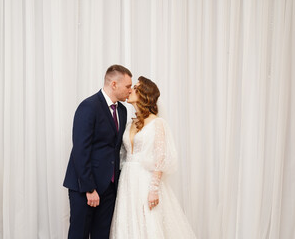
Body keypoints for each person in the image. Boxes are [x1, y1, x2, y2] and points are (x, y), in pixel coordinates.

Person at [110, 76, 196, 238]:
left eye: (135, 88)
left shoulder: (158, 123)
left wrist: (154, 190)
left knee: (148, 222)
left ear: (144, 94)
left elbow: (160, 157)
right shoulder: (129, 123)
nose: (130, 90)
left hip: (145, 180)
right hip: (128, 181)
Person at [63, 65, 132, 239]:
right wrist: (89, 188)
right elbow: (80, 150)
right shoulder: (89, 106)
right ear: (114, 84)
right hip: (85, 186)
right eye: (128, 86)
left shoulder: (122, 111)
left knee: (102, 235)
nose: (130, 91)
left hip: (110, 187)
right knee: (79, 234)